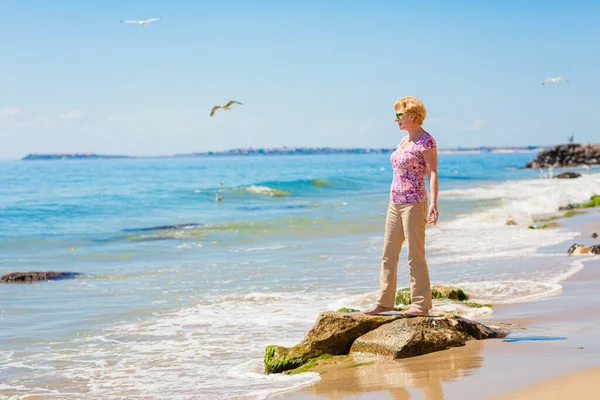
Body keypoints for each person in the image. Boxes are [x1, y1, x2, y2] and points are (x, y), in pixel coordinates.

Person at [364, 96, 438, 316]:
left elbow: (432, 173)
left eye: (399, 115)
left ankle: (420, 304)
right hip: (395, 203)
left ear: (413, 116)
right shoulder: (403, 141)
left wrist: (434, 203)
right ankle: (385, 301)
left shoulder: (427, 141)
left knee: (415, 254)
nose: (396, 119)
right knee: (388, 253)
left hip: (414, 203)